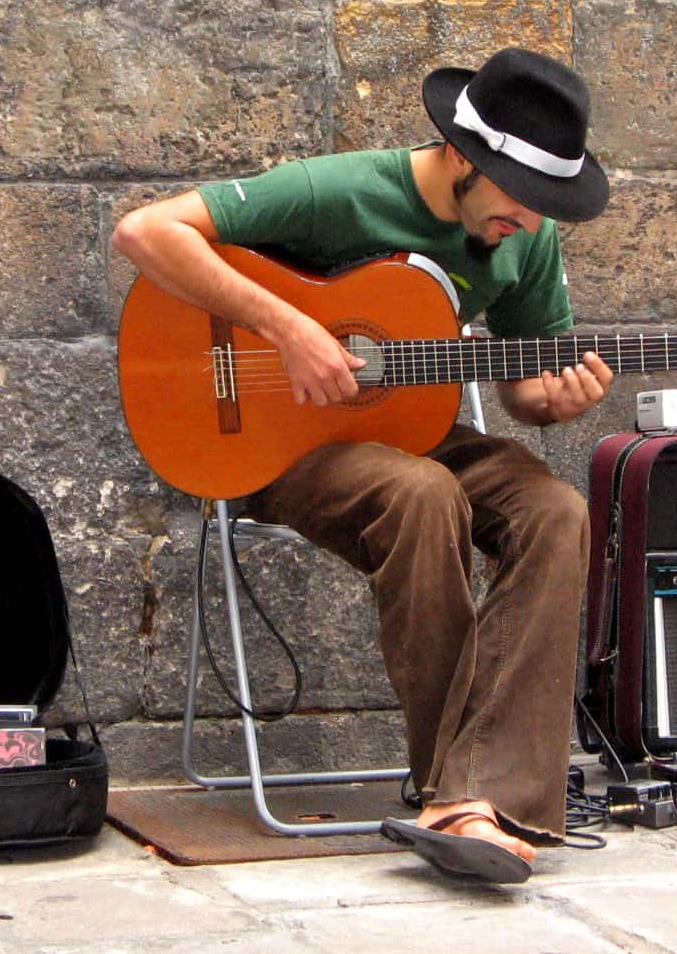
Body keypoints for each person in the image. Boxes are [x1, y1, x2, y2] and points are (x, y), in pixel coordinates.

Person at [112, 48, 613, 883]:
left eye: (547, 207)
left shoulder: (529, 238)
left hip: (413, 430)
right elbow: (145, 231)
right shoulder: (341, 189)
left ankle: (476, 795)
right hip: (281, 444)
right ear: (461, 156)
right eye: (521, 201)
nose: (529, 223)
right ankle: (458, 791)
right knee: (421, 493)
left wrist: (554, 403)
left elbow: (527, 386)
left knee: (556, 510)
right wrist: (289, 327)